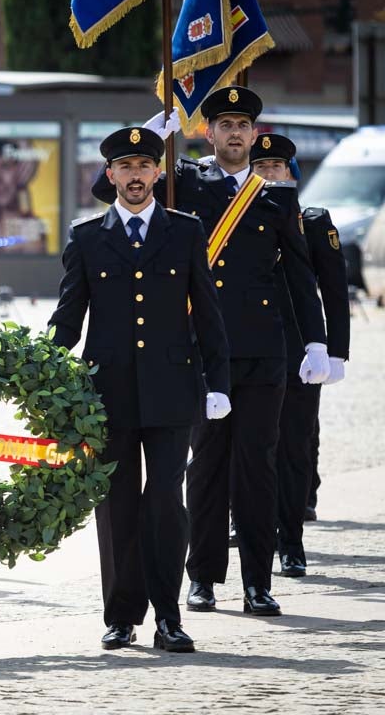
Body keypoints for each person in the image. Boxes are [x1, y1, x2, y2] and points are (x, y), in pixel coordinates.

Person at [91, 87, 328, 617]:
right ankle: (202, 578)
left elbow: (298, 275)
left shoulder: (277, 198)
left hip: (265, 352)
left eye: (244, 125)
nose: (236, 133)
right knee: (204, 470)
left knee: (257, 467)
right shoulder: (186, 183)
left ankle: (257, 583)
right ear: (209, 133)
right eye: (225, 124)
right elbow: (110, 192)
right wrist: (154, 136)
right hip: (202, 355)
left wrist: (316, 340)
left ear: (255, 134)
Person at [50, 127, 231, 652]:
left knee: (165, 503)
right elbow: (68, 319)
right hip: (107, 393)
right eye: (124, 167)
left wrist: (217, 383)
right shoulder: (86, 238)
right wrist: (43, 375)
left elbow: (209, 316)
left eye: (143, 166)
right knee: (118, 504)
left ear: (158, 173)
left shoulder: (185, 231)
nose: (134, 176)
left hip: (173, 389)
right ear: (110, 176)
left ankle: (169, 617)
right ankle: (122, 614)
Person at [250, 135, 350, 578]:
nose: (269, 173)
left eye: (277, 166)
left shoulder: (313, 222)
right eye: (261, 165)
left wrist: (336, 352)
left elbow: (333, 289)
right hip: (247, 350)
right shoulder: (230, 222)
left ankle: (290, 541)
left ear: (292, 174)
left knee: (293, 447)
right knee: (247, 448)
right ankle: (249, 523)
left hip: (299, 352)